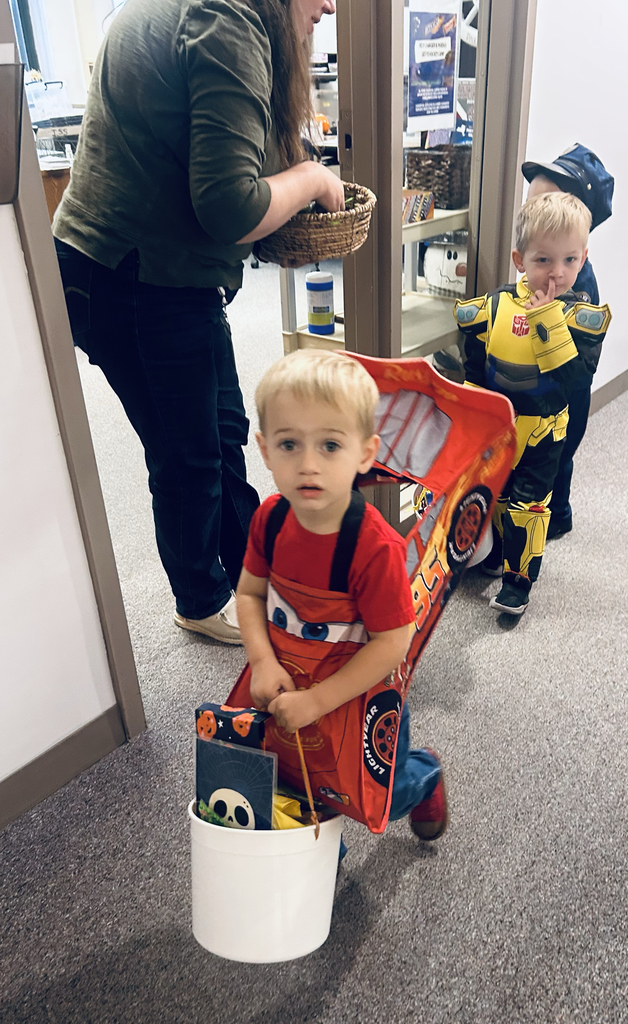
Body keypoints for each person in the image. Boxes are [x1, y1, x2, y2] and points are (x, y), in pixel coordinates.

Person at [53, 0, 344, 644]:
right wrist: (308, 176)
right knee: (185, 452)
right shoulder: (228, 18)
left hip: (156, 271)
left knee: (221, 427)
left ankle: (247, 564)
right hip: (132, 276)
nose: (329, 5)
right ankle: (200, 596)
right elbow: (231, 207)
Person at [234, 349, 448, 840]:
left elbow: (393, 643)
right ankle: (319, 867)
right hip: (288, 681)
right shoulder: (270, 519)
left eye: (330, 446)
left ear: (366, 453)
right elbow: (249, 595)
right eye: (289, 444)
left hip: (357, 694)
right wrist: (263, 663)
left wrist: (320, 701)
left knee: (377, 795)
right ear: (264, 450)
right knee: (290, 786)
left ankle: (422, 774)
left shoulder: (374, 549)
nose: (308, 465)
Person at [454, 192, 611, 616]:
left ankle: (518, 582)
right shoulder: (496, 305)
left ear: (584, 259)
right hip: (497, 427)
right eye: (544, 260)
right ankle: (494, 553)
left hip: (543, 429)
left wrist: (548, 324)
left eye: (570, 261)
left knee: (528, 504)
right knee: (498, 498)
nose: (557, 275)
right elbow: (475, 365)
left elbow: (576, 379)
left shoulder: (581, 316)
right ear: (519, 259)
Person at [522, 144, 614, 538]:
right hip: (535, 385)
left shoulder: (578, 289)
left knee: (558, 451)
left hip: (567, 390)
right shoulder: (542, 271)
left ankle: (556, 515)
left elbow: (575, 366)